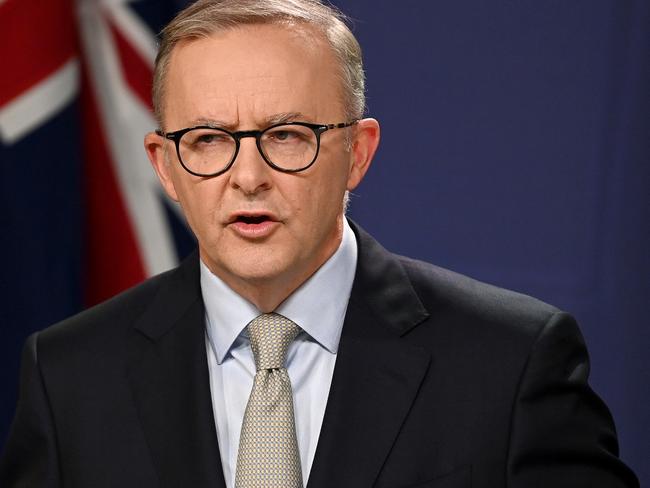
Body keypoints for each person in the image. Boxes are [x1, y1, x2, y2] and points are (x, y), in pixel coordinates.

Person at [0, 1, 639, 487]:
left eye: (286, 135)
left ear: (357, 153)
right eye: (208, 140)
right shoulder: (68, 376)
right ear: (163, 165)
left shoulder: (512, 363)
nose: (247, 178)